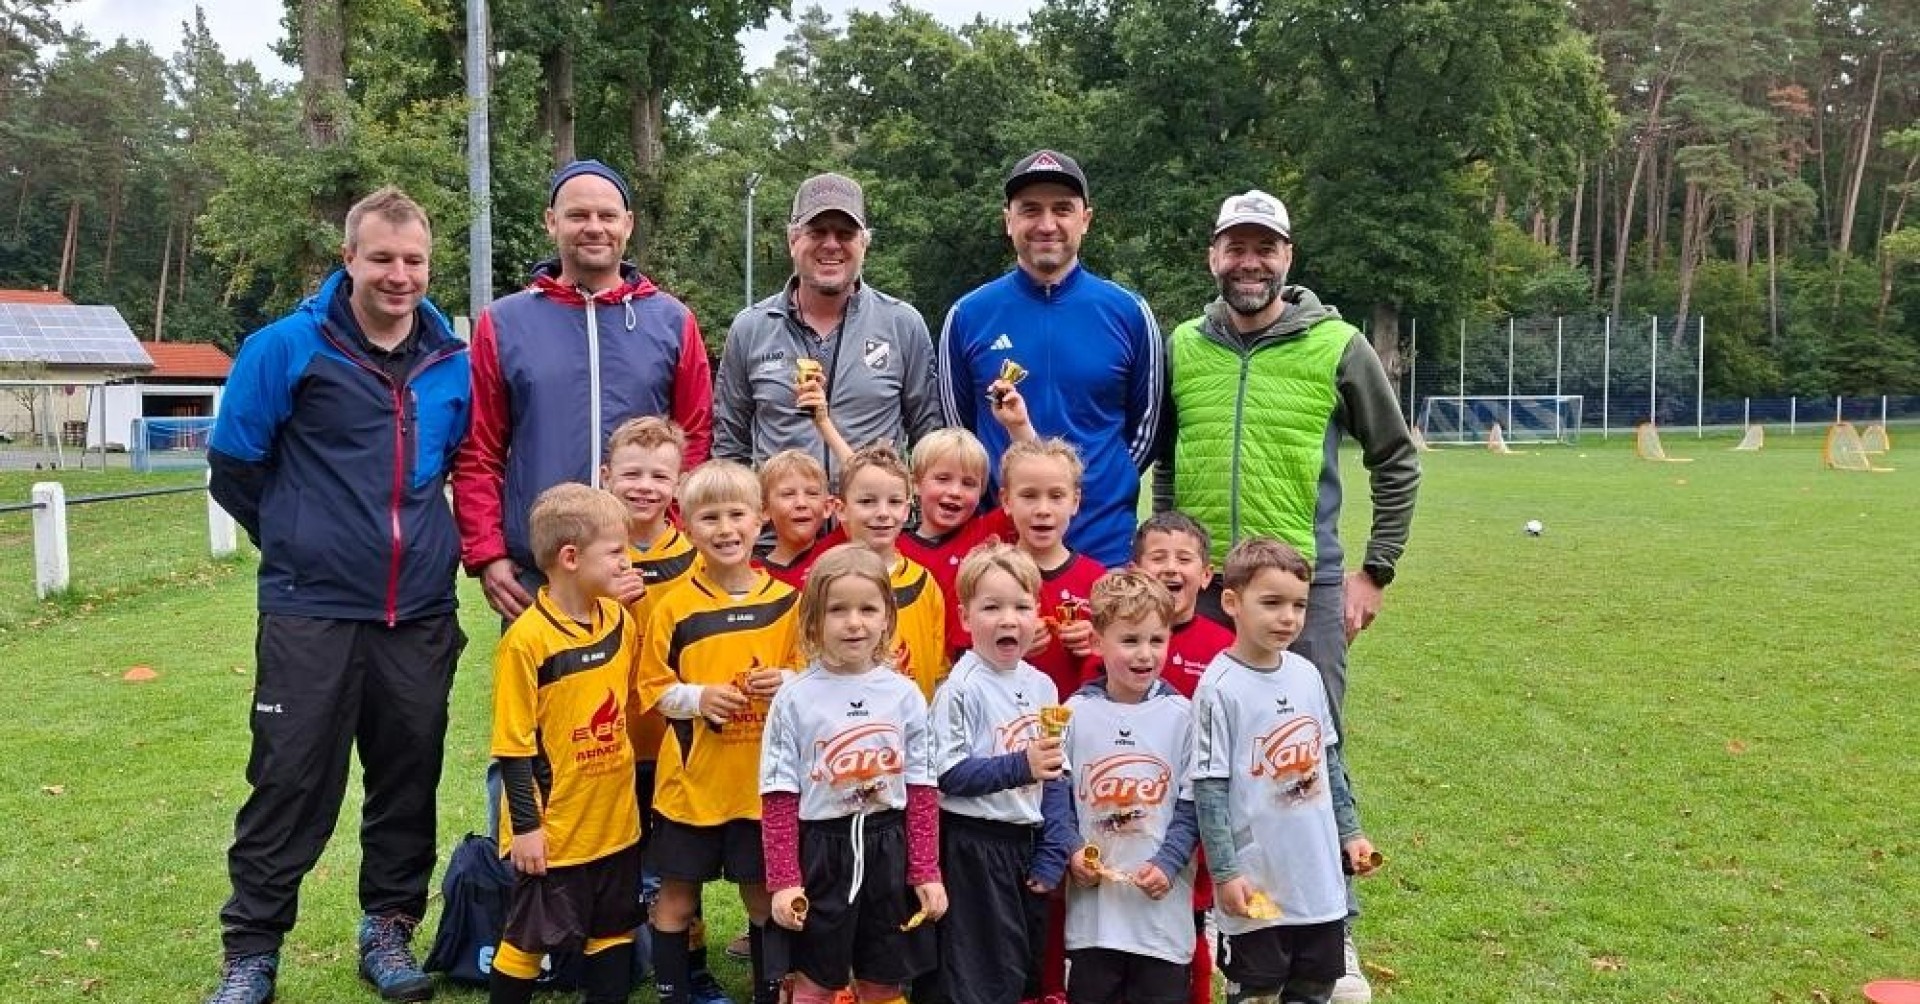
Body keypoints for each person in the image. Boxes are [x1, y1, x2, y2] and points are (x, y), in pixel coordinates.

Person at [204, 187, 471, 1004]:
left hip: (418, 613)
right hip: (310, 611)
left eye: (413, 260)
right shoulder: (284, 348)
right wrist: (298, 540)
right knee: (289, 781)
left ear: (430, 263)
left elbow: (456, 466)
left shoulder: (452, 361)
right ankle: (251, 950)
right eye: (382, 257)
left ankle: (388, 931)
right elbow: (235, 467)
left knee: (408, 779)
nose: (398, 275)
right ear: (349, 257)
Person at [1155, 191, 1419, 1002]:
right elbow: (1166, 459)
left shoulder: (1338, 346)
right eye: (1236, 245)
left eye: (1264, 247)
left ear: (1287, 258)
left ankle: (1331, 936)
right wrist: (1172, 560)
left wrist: (1375, 569)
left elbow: (1396, 458)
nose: (1250, 261)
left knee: (1309, 758)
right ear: (1213, 255)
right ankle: (1216, 915)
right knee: (1201, 760)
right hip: (1201, 593)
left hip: (1301, 596)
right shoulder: (1182, 347)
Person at [456, 158, 714, 622]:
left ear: (627, 224)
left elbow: (694, 437)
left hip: (650, 566)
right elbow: (479, 449)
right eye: (578, 215)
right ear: (552, 221)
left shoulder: (672, 320)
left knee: (662, 694)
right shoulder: (506, 322)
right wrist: (487, 553)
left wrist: (673, 530)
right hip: (544, 572)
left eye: (607, 216)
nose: (594, 227)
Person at [936, 149, 1165, 568]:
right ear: (1009, 221)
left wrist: (1094, 488)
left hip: (1103, 545)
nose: (1046, 225)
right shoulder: (968, 315)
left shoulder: (1129, 312)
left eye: (1062, 209)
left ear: (1086, 219)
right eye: (1030, 210)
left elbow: (1145, 431)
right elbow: (961, 437)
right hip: (1001, 552)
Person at [637, 460, 801, 1004]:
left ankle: (769, 991)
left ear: (760, 521)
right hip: (692, 785)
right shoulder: (674, 606)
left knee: (763, 896)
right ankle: (674, 991)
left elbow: (815, 681)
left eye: (738, 515)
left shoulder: (786, 603)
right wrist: (700, 698)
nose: (726, 529)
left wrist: (790, 681)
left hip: (762, 787)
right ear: (686, 525)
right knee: (677, 897)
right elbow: (652, 688)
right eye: (710, 517)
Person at [1190, 539, 1379, 1004]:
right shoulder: (1219, 688)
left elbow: (1328, 761)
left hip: (1318, 880)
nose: (1287, 618)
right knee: (1257, 989)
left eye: (1298, 605)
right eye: (1271, 603)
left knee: (1316, 986)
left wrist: (1350, 832)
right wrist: (1226, 872)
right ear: (1232, 602)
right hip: (1258, 881)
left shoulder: (1306, 674)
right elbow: (1209, 790)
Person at [761, 544, 948, 1004]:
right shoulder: (795, 698)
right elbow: (778, 794)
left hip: (890, 848)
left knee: (884, 976)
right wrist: (785, 880)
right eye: (837, 609)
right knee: (816, 977)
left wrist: (925, 869)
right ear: (812, 621)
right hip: (822, 850)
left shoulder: (904, 695)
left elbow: (922, 788)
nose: (854, 622)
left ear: (888, 616)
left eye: (868, 608)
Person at [488, 484, 650, 1004]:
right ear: (571, 558)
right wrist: (528, 829)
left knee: (613, 929)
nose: (627, 562)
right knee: (528, 938)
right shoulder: (526, 641)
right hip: (554, 832)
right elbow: (512, 747)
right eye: (616, 552)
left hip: (615, 822)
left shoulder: (619, 620)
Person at [715, 172, 942, 483]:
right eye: (817, 232)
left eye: (846, 234)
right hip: (778, 529)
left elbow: (931, 441)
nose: (831, 245)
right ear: (793, 239)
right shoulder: (750, 329)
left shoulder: (903, 325)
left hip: (871, 529)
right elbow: (729, 448)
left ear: (865, 243)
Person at [928, 544, 1074, 1004]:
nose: (1008, 619)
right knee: (975, 971)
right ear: (966, 617)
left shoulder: (1041, 685)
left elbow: (1055, 772)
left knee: (1019, 963)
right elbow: (947, 773)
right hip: (972, 844)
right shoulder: (960, 689)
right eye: (991, 607)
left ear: (1039, 614)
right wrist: (1019, 766)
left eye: (1021, 606)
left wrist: (1054, 851)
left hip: (1024, 842)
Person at [1058, 571, 1198, 1004]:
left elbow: (1194, 803)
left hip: (1160, 918)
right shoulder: (1075, 713)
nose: (1145, 654)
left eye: (1157, 640)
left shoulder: (1182, 715)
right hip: (1094, 921)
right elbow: (1055, 795)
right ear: (1098, 640)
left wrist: (1170, 861)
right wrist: (1071, 849)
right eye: (1130, 640)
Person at [834, 442, 947, 700]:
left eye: (894, 502)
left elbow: (939, 669)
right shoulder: (827, 582)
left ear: (907, 510)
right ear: (841, 509)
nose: (883, 513)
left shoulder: (922, 582)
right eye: (867, 501)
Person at [999, 438, 1105, 700]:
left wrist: (1097, 643)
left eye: (1056, 496)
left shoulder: (1097, 580)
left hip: (1078, 724)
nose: (1043, 510)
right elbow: (964, 654)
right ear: (1006, 500)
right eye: (1029, 496)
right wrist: (1009, 643)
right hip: (1005, 722)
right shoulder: (990, 574)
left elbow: (1122, 656)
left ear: (1075, 501)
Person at [758, 449, 838, 588]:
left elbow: (863, 481)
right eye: (788, 494)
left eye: (812, 493)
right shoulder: (753, 574)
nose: (801, 503)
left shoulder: (836, 555)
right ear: (764, 509)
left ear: (827, 506)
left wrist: (824, 426)